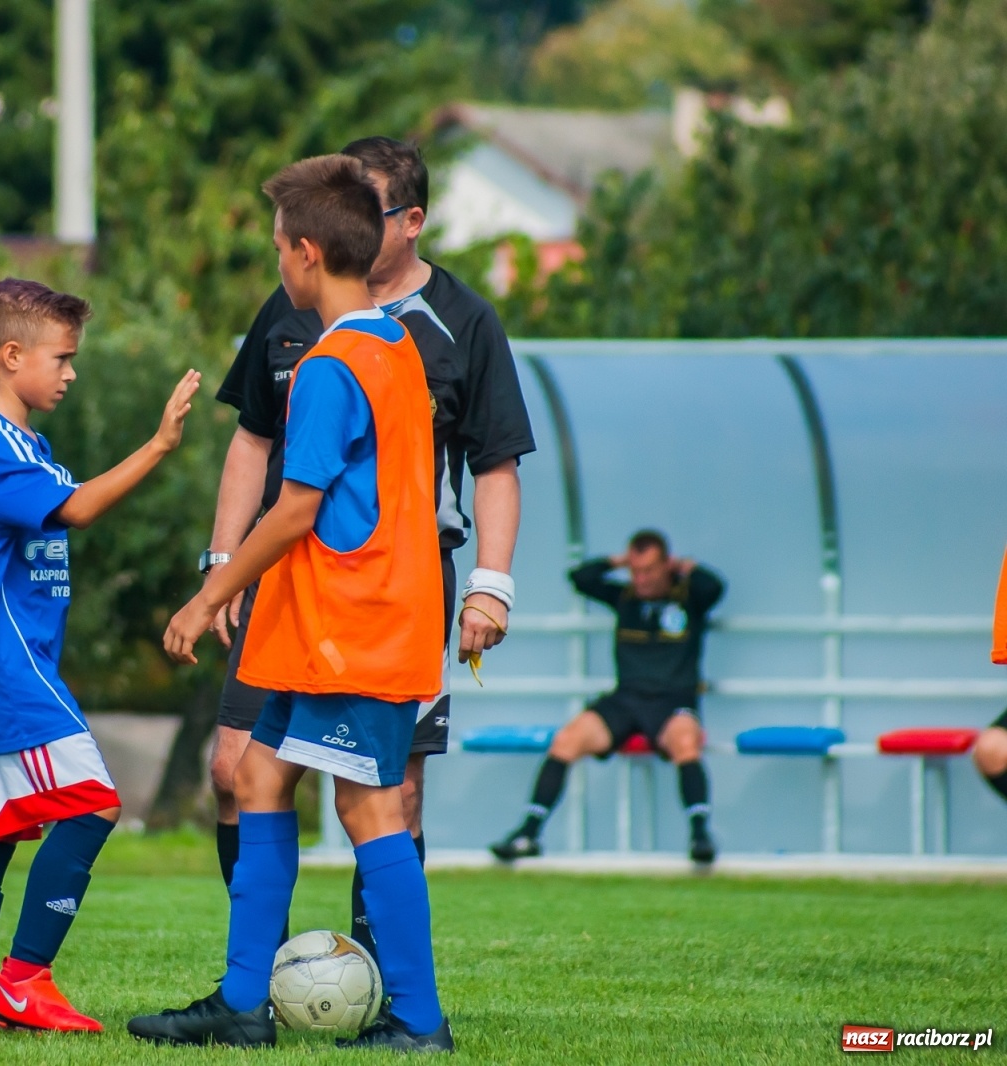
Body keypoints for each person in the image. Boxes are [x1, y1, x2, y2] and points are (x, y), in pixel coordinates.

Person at [130, 154, 452, 1052]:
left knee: (369, 811)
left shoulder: (330, 366)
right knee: (259, 779)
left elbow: (295, 508)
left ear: (307, 253)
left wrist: (209, 595)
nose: (278, 263)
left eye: (279, 248)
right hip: (338, 625)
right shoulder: (395, 345)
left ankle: (420, 1020)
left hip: (353, 629)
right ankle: (243, 1002)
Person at [203, 136, 532, 958]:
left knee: (385, 796)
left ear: (411, 221)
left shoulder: (451, 324)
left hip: (390, 586)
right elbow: (252, 440)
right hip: (285, 577)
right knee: (241, 771)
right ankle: (262, 976)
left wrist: (490, 584)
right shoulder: (295, 306)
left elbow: (494, 464)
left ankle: (380, 985)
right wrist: (224, 563)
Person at [0, 279, 198, 1034]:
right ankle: (23, 980)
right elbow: (77, 508)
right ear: (12, 356)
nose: (71, 373)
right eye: (62, 358)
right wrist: (159, 444)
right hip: (10, 672)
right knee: (94, 804)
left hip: (5, 670)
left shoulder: (23, 445)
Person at [491, 530, 725, 864]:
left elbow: (715, 587)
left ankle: (700, 835)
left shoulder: (689, 599)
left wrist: (684, 567)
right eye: (635, 571)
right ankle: (528, 833)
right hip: (625, 700)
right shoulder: (625, 598)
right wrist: (618, 561)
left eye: (649, 570)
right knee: (566, 740)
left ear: (666, 565)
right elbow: (580, 578)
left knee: (686, 743)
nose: (641, 579)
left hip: (673, 702)